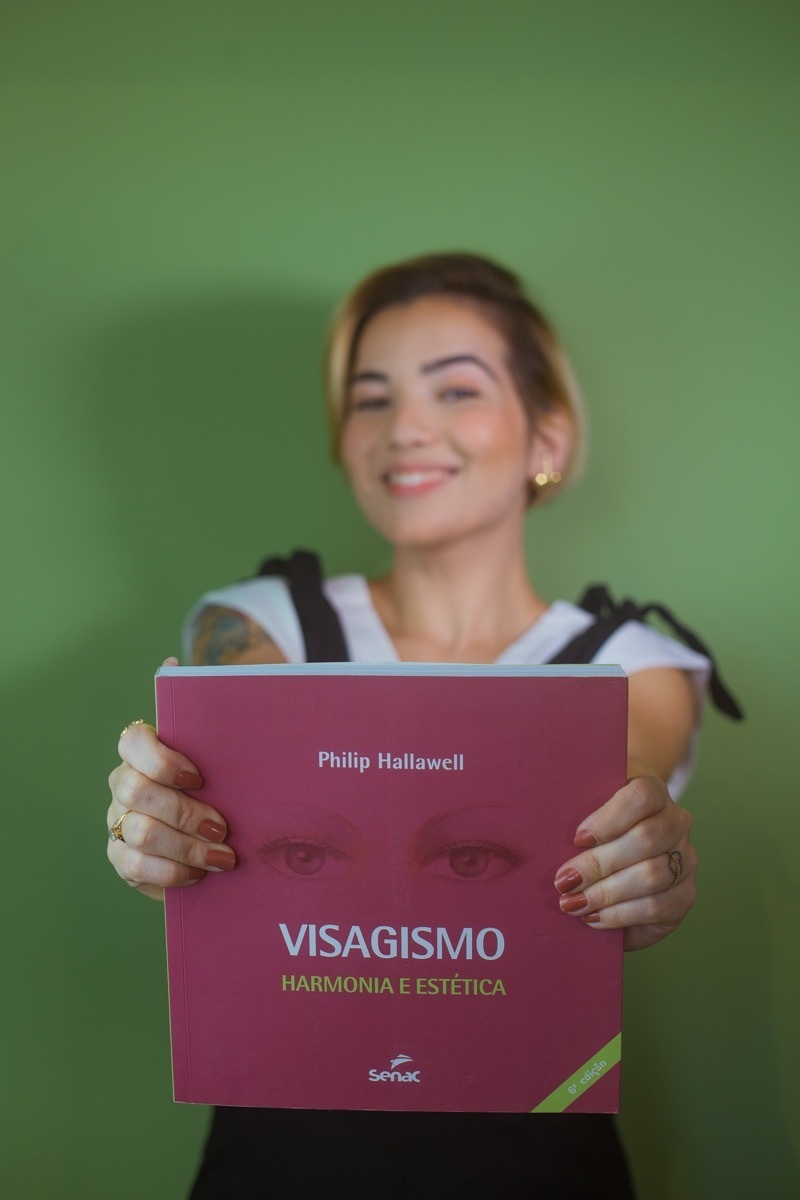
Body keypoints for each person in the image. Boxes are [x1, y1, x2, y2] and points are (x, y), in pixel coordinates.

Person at [107, 253, 713, 1198]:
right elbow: (217, 789)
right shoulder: (258, 625)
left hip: (535, 1157)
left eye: (455, 389)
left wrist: (639, 855)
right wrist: (160, 828)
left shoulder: (635, 661)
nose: (405, 429)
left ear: (547, 434)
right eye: (371, 399)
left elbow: (626, 779)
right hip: (283, 1156)